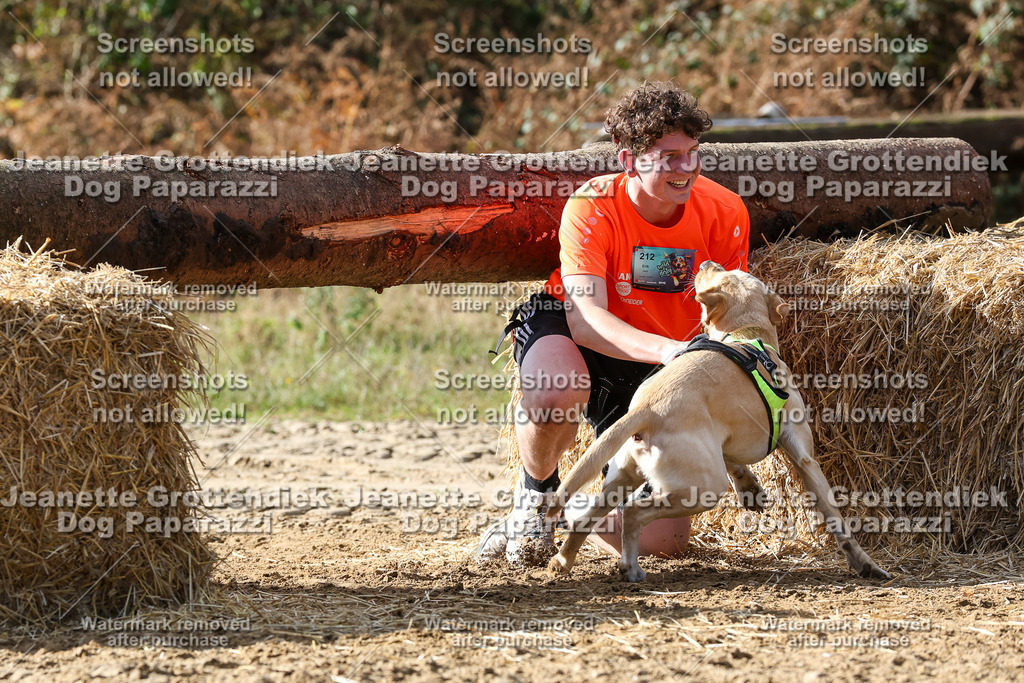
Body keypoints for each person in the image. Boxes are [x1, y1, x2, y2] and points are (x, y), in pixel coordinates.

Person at [476, 81, 750, 566]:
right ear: (628, 160)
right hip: (578, 332)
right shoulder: (593, 205)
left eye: (692, 153)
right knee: (556, 389)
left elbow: (728, 318)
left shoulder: (725, 210)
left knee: (663, 543)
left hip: (660, 366)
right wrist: (668, 351)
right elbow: (586, 321)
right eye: (668, 157)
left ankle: (566, 510)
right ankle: (535, 499)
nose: (686, 168)